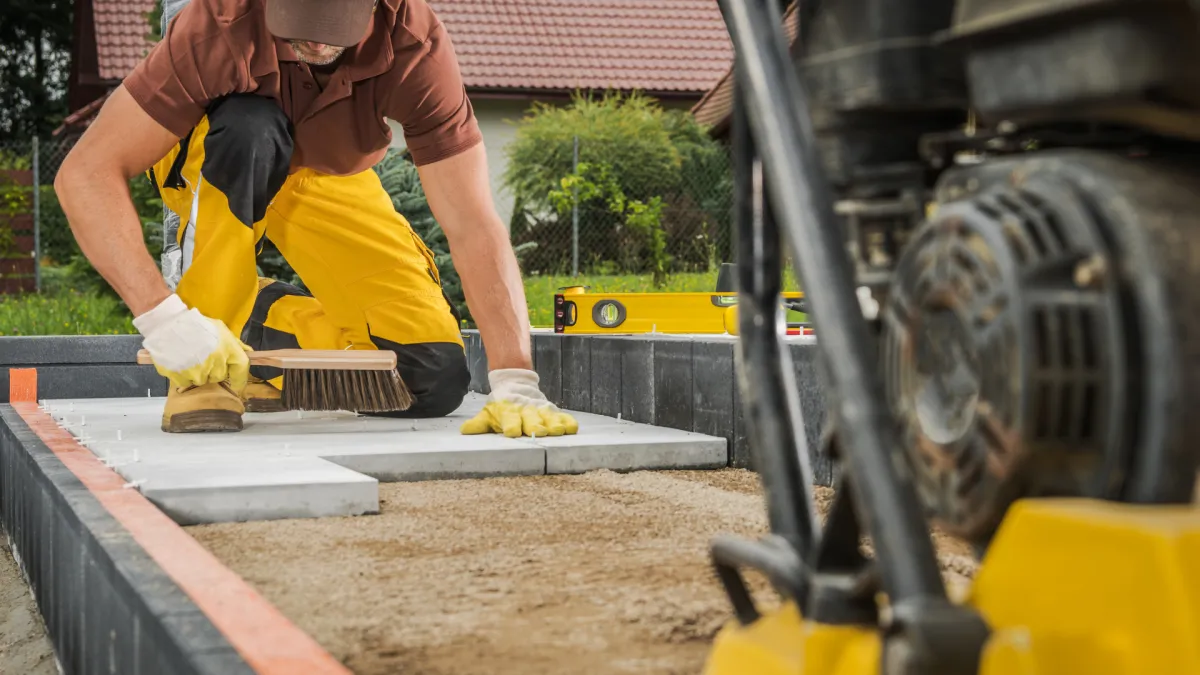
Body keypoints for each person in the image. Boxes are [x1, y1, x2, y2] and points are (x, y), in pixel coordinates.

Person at [54, 0, 578, 439]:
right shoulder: (218, 25)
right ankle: (203, 357)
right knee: (250, 126)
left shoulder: (415, 46)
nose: (319, 45)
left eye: (335, 28)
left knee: (428, 376)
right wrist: (164, 321)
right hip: (226, 152)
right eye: (302, 24)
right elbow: (86, 173)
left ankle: (252, 321)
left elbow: (472, 223)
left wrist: (515, 378)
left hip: (327, 170)